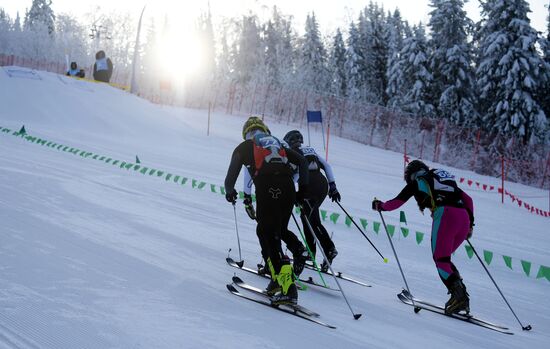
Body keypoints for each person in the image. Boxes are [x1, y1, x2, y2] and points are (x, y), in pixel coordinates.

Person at [371, 160, 474, 315]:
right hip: (464, 218)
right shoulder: (440, 179)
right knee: (445, 260)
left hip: (446, 215)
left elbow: (397, 202)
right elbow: (468, 200)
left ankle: (459, 298)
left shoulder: (419, 181)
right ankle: (461, 297)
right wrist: (470, 225)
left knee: (441, 260)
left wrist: (381, 206)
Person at [224, 116, 309, 305]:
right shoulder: (278, 143)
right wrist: (301, 193)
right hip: (288, 189)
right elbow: (302, 162)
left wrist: (230, 192)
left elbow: (231, 177)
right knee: (268, 231)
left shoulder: (244, 146)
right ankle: (277, 280)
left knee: (269, 234)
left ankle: (289, 288)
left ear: (247, 133)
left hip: (267, 188)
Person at [283, 130, 341, 272]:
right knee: (308, 219)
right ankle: (314, 252)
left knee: (311, 221)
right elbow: (327, 165)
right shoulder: (310, 150)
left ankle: (328, 249)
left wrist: (289, 193)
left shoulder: (294, 153)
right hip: (322, 184)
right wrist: (333, 186)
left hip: (310, 185)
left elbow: (293, 175)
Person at [242, 159, 309, 277]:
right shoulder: (281, 147)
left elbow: (247, 179)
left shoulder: (252, 150)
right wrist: (295, 191)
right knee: (281, 229)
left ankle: (276, 268)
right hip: (288, 189)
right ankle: (298, 248)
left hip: (269, 191)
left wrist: (247, 199)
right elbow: (301, 164)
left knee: (264, 230)